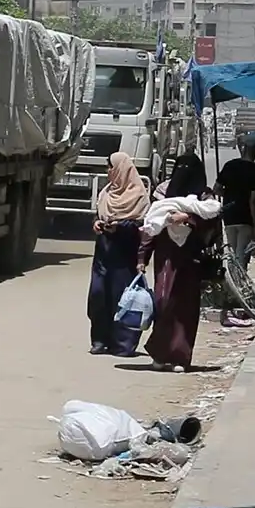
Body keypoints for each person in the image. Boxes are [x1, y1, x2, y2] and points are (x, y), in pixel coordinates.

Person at [138, 154, 220, 372]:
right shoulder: (163, 193)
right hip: (166, 257)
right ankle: (160, 353)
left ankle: (180, 357)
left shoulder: (205, 197)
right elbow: (150, 226)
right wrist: (142, 258)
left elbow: (213, 224)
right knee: (164, 302)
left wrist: (188, 219)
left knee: (186, 308)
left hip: (191, 258)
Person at [87, 152, 150, 356]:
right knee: (98, 295)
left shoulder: (138, 195)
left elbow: (143, 226)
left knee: (122, 297)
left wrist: (121, 227)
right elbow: (100, 213)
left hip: (125, 253)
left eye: (111, 167)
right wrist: (98, 223)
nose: (108, 172)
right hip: (103, 252)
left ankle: (123, 344)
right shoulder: (107, 192)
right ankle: (99, 340)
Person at [215, 142, 255, 269]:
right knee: (241, 255)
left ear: (243, 151)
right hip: (246, 217)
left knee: (232, 253)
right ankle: (239, 284)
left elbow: (217, 189)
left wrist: (230, 196)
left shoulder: (230, 165)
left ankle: (231, 281)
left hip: (229, 215)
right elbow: (254, 201)